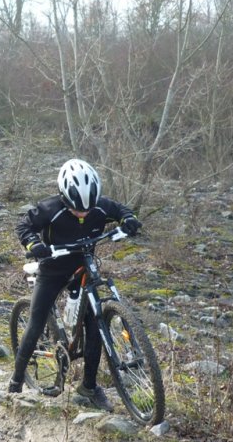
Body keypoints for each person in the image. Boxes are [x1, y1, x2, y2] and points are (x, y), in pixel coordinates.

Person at [8, 158, 142, 411]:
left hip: (85, 265)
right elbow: (24, 226)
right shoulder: (49, 208)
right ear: (63, 198)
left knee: (95, 326)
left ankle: (89, 387)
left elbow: (122, 210)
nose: (83, 213)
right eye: (76, 209)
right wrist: (34, 245)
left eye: (88, 210)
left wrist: (129, 220)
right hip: (53, 268)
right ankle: (16, 380)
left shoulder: (99, 206)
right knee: (36, 321)